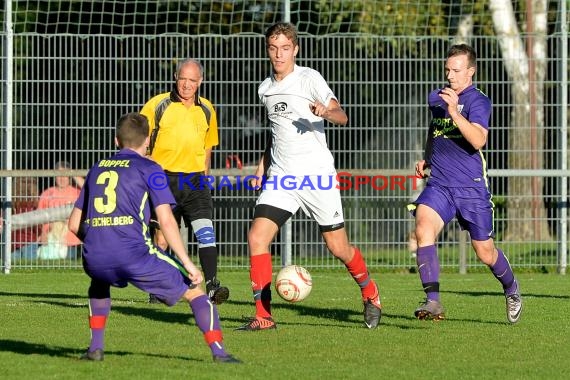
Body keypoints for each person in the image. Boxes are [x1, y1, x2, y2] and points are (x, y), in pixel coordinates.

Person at [236, 22, 382, 331]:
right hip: (282, 178)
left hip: (317, 176)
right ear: (268, 50)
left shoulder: (309, 78)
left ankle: (370, 292)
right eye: (273, 48)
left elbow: (342, 115)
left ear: (295, 49)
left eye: (285, 48)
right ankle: (263, 316)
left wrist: (326, 112)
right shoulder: (265, 88)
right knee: (257, 237)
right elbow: (276, 133)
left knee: (338, 247)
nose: (279, 54)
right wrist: (263, 167)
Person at [68, 112, 240, 363]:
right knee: (195, 291)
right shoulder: (150, 168)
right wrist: (189, 263)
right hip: (135, 254)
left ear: (116, 141)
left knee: (99, 280)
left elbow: (74, 225)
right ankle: (220, 352)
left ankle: (95, 348)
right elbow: (168, 221)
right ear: (148, 141)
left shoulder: (96, 169)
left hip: (95, 255)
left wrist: (102, 240)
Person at [408, 44, 522, 323]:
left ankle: (511, 288)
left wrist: (455, 112)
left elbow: (479, 140)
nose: (450, 75)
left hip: (470, 188)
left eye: (456, 70)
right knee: (423, 225)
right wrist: (427, 159)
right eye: (447, 69)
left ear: (470, 72)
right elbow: (434, 131)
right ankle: (433, 301)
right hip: (440, 185)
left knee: (485, 252)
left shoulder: (478, 101)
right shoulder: (436, 98)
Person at [140, 58, 229, 305]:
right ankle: (159, 290)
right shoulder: (157, 104)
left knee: (206, 232)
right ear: (175, 77)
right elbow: (140, 141)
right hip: (162, 179)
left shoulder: (207, 108)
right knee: (161, 239)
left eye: (192, 80)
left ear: (200, 81)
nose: (187, 85)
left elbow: (208, 146)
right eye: (183, 79)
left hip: (196, 181)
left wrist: (205, 175)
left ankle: (212, 286)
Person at [37, 161, 83, 259]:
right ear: (54, 176)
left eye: (65, 175)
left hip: (72, 241)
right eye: (59, 175)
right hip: (51, 241)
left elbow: (89, 188)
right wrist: (43, 233)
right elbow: (40, 217)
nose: (62, 178)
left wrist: (73, 173)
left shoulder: (77, 193)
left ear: (69, 176)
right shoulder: (47, 194)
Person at [0, 177, 41, 260]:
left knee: (12, 265)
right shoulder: (33, 205)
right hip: (29, 242)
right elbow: (37, 227)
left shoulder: (10, 204)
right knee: (29, 267)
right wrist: (39, 233)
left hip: (12, 242)